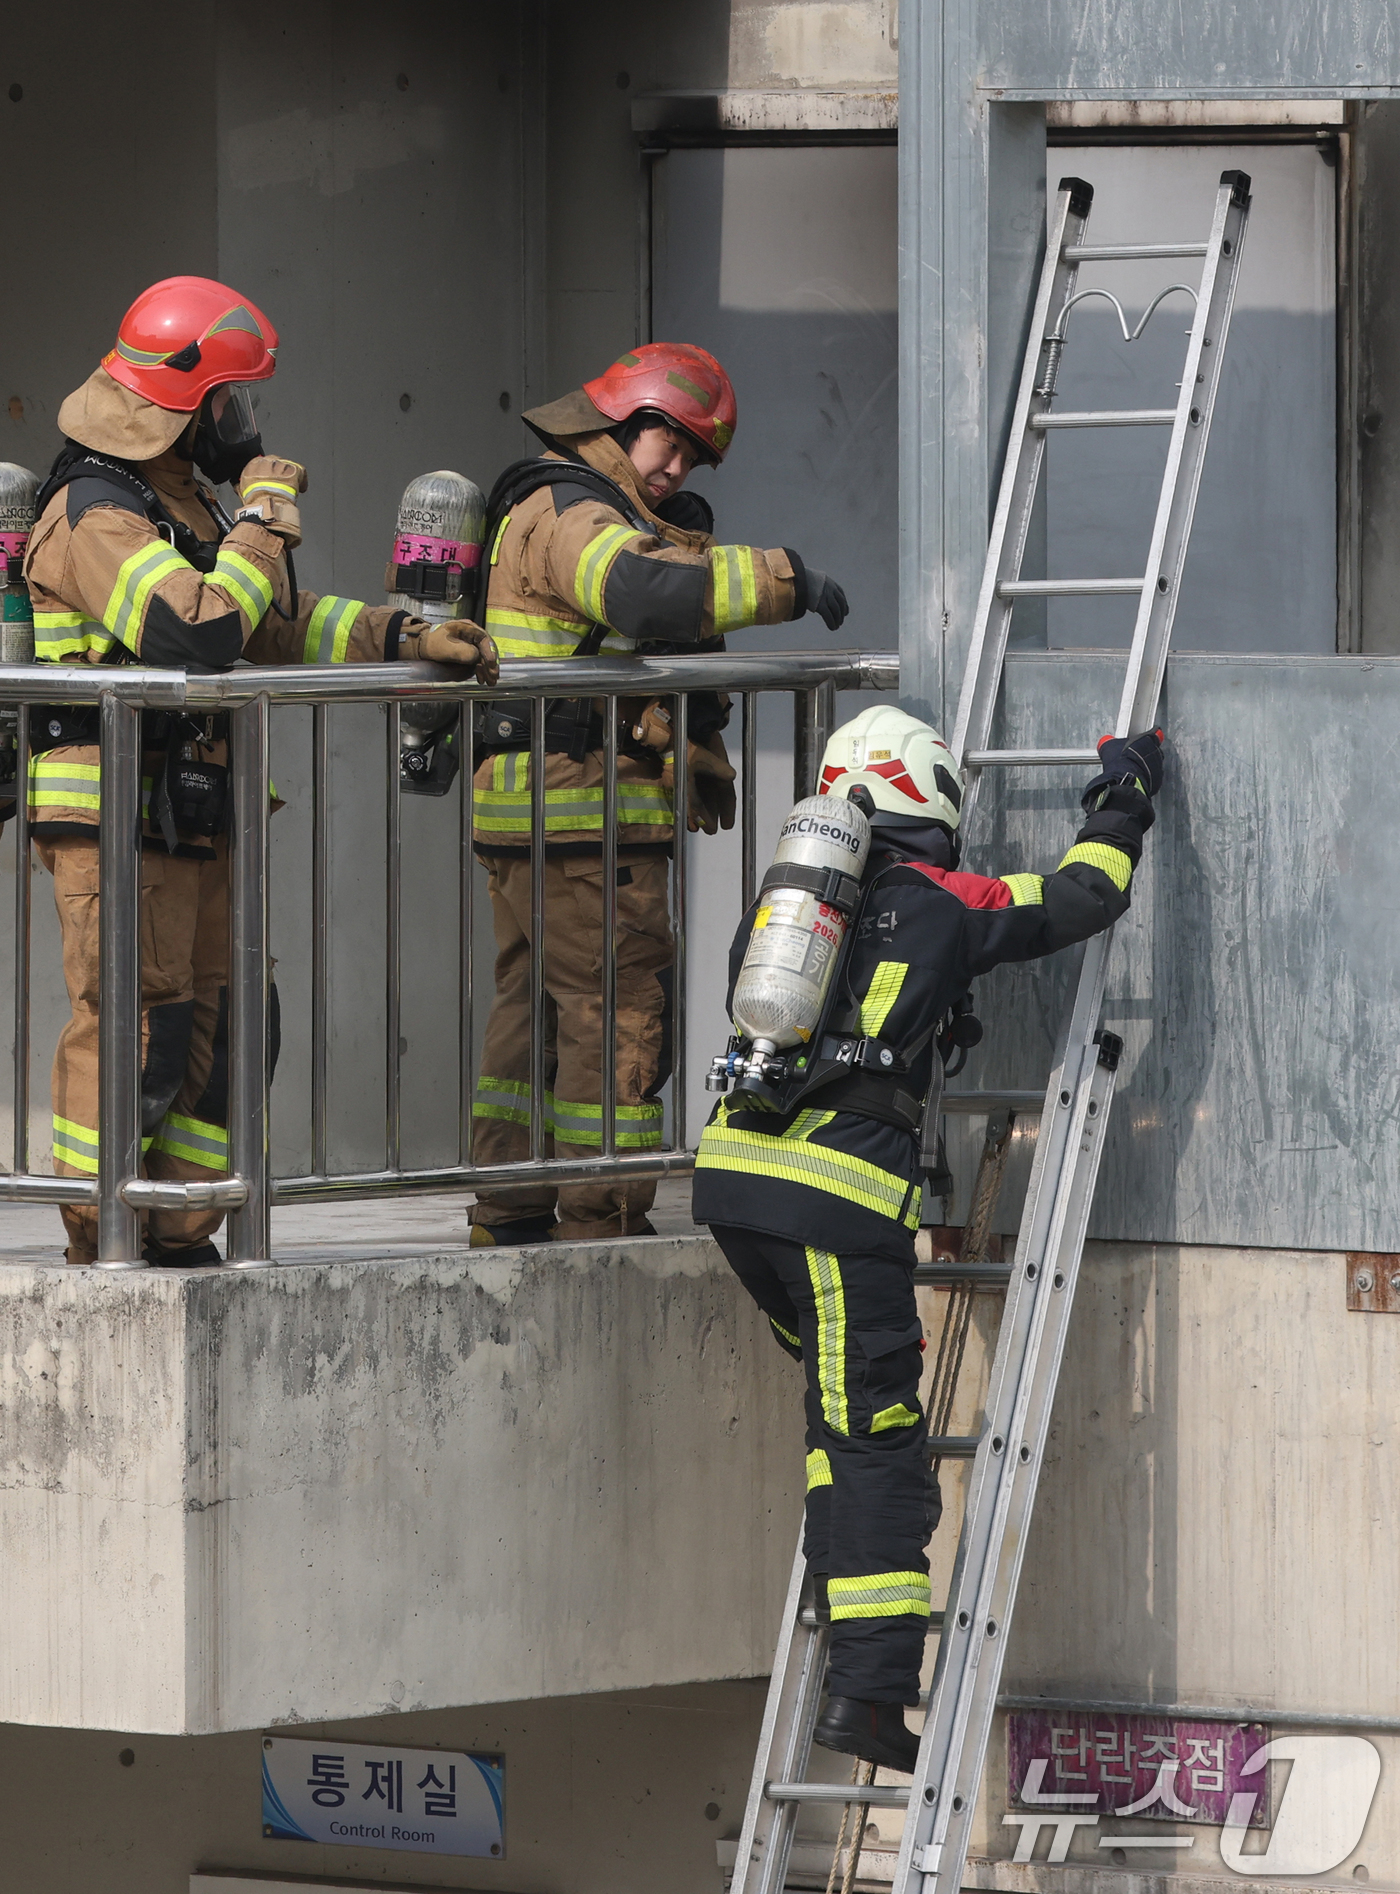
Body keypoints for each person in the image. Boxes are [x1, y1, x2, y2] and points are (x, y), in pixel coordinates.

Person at [692, 704, 1165, 1770]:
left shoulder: (783, 910)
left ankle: (849, 1661)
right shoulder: (941, 899)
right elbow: (1080, 894)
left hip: (735, 1188)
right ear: (930, 801)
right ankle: (864, 1698)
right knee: (877, 1445)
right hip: (832, 1204)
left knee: (843, 1412)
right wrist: (1122, 789)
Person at [24, 275, 497, 1267]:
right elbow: (196, 629)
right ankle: (104, 1227)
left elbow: (273, 623)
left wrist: (403, 634)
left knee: (229, 1029)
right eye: (231, 400)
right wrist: (267, 518)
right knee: (139, 1032)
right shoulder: (91, 512)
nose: (243, 422)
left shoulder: (182, 497)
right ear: (182, 405)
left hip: (196, 810)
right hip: (121, 817)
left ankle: (185, 1224)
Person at [468, 342, 849, 1246]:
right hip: (586, 820)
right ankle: (604, 1218)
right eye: (667, 440)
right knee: (618, 1014)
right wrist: (784, 579)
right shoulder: (573, 507)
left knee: (532, 1019)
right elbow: (635, 590)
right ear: (620, 417)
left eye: (693, 456)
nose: (676, 468)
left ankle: (511, 1209)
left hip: (538, 815)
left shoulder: (559, 498)